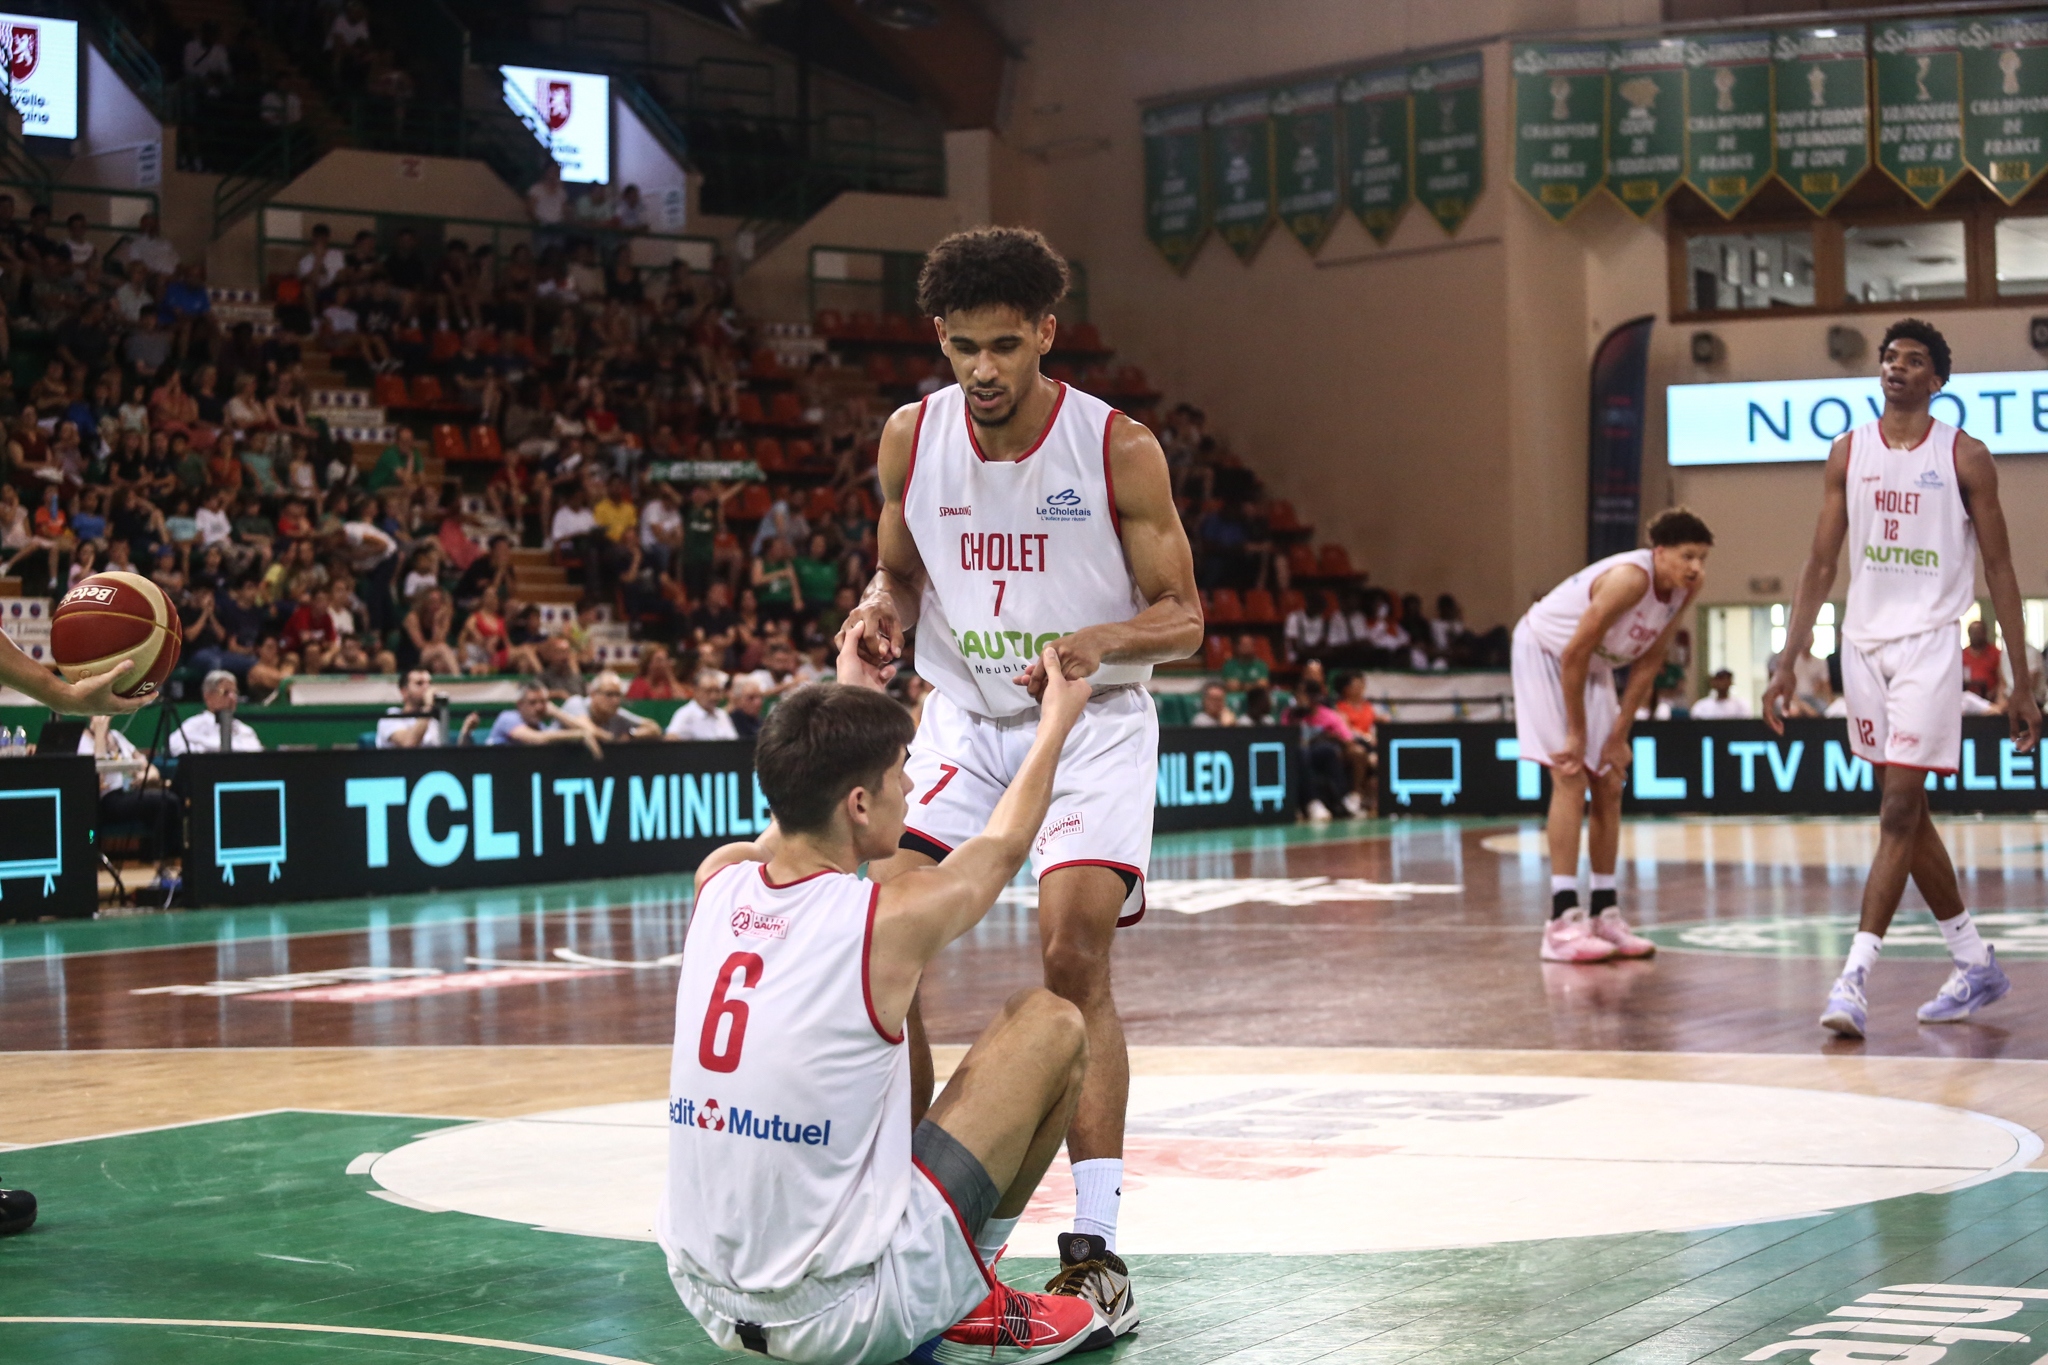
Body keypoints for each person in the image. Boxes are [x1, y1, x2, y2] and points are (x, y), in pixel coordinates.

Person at [838, 227, 1202, 1330]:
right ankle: (893, 1218)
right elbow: (897, 571)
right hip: (962, 718)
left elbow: (1184, 619)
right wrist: (876, 614)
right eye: (961, 348)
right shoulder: (911, 437)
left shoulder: (1117, 448)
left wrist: (1097, 641)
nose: (982, 370)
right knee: (878, 932)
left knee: (1068, 952)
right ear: (938, 343)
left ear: (1046, 334)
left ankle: (1092, 1249)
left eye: (1004, 346)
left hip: (1088, 719)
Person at [658, 638, 1110, 1363]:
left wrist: (846, 693)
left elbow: (797, 806)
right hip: (840, 1317)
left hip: (703, 1292)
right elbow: (1001, 844)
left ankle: (941, 1283)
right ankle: (972, 1291)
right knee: (1050, 1023)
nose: (914, 790)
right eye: (904, 774)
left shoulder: (717, 880)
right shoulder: (884, 921)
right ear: (860, 802)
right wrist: (1054, 721)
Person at [1765, 318, 2041, 1037]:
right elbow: (1821, 565)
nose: (1896, 368)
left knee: (1894, 810)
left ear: (1937, 380)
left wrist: (2022, 677)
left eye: (1913, 360)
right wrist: (1789, 658)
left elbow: (2002, 570)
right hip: (1860, 647)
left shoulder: (1966, 456)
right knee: (1907, 814)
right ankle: (1975, 960)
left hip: (1927, 647)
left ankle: (1853, 979)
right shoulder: (1847, 450)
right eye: (1890, 358)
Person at [1513, 507, 1713, 963]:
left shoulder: (1686, 588)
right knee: (1570, 773)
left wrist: (1619, 735)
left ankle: (1605, 913)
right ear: (1659, 553)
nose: (1696, 568)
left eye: (1702, 558)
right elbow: (1572, 653)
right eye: (1687, 556)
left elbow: (1649, 662)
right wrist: (1577, 732)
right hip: (1546, 652)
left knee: (1610, 780)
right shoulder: (1629, 579)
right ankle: (1561, 923)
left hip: (1594, 665)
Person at [486, 679, 603, 757]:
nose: (539, 707)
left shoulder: (541, 727)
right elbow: (537, 739)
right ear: (520, 704)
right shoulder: (507, 718)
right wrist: (580, 734)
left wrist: (556, 712)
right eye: (533, 702)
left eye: (543, 702)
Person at [168, 670, 266, 754]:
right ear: (208, 697)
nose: (232, 698)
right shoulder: (194, 725)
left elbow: (256, 751)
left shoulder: (244, 729)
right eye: (225, 692)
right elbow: (174, 746)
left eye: (235, 692)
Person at [377, 667, 477, 747]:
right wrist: (428, 706)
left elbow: (445, 759)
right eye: (419, 683)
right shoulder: (391, 716)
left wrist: (465, 732)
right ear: (404, 692)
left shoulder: (432, 721)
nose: (427, 688)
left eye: (429, 683)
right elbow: (409, 744)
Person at [582, 670, 661, 740]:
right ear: (593, 695)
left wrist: (631, 735)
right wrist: (612, 738)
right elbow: (586, 727)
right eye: (609, 694)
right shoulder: (578, 703)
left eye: (618, 695)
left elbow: (654, 728)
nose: (615, 701)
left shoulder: (616, 714)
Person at [667, 671, 738, 740]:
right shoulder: (685, 714)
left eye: (717, 691)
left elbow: (733, 741)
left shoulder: (722, 714)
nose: (714, 696)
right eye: (708, 691)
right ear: (696, 691)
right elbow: (671, 739)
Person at [1963, 619, 2004, 703]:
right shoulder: (1961, 655)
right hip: (1966, 700)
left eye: (1978, 632)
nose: (1976, 635)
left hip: (1990, 700)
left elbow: (2002, 681)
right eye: (1973, 632)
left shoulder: (1996, 654)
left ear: (1985, 633)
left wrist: (1993, 693)